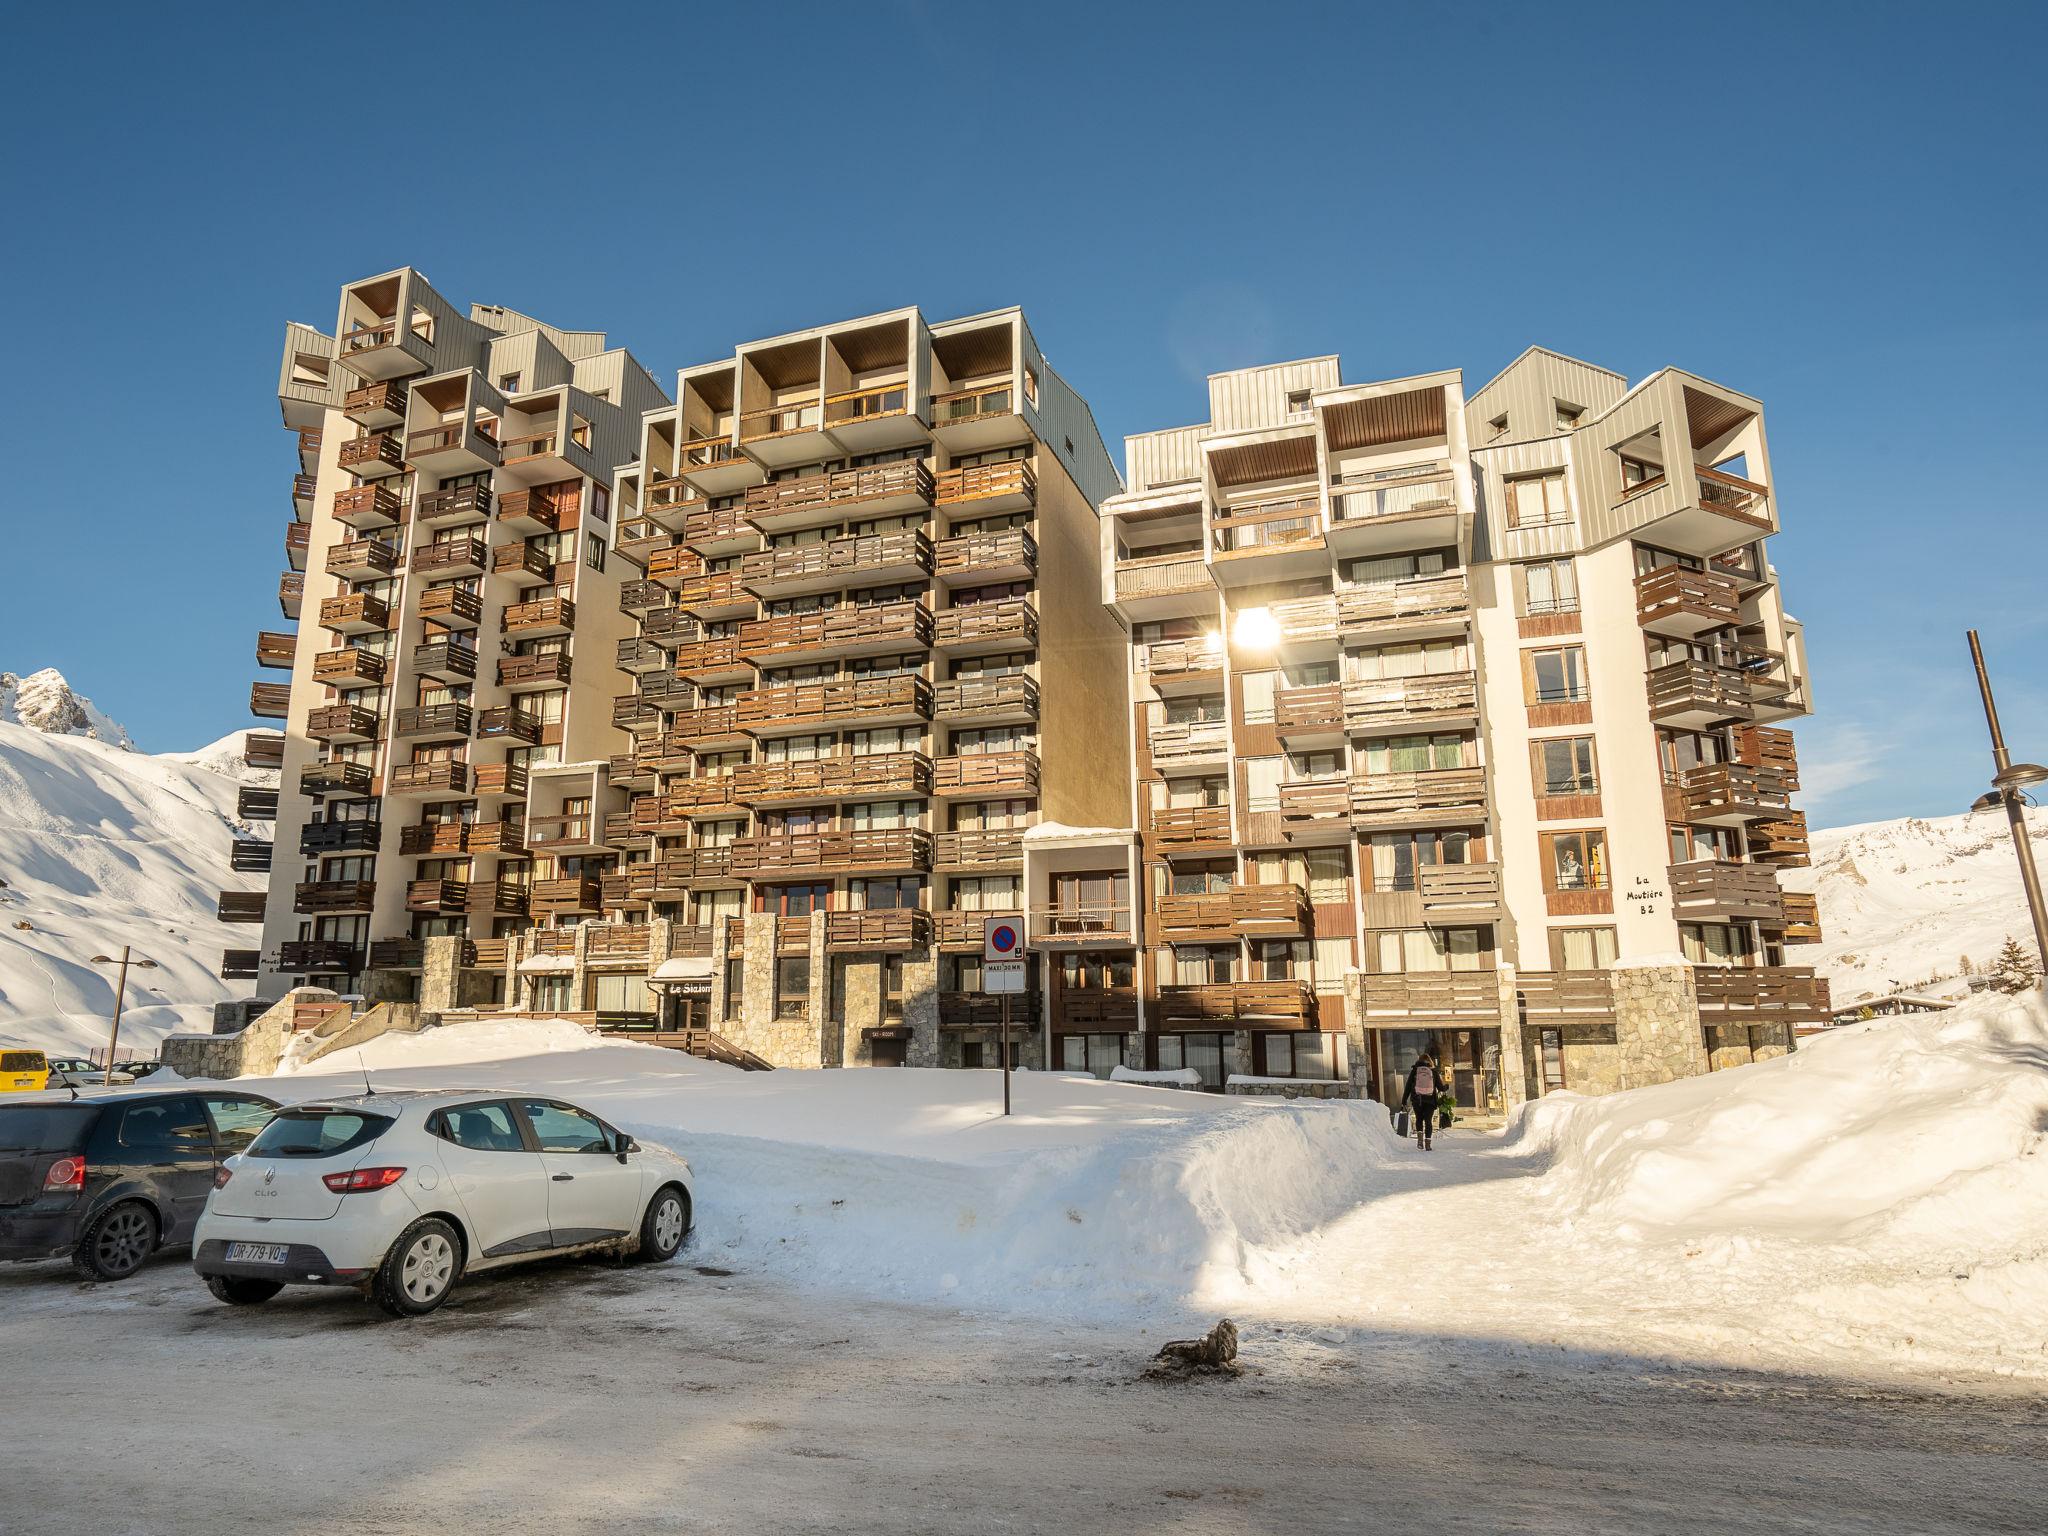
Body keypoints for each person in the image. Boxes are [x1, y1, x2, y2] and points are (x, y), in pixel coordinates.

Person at [1402, 1051, 1442, 1150]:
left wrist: (1404, 1100)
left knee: (1419, 1119)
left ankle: (1420, 1141)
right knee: (1428, 1121)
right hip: (1430, 1100)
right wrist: (1446, 1087)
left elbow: (1408, 1086)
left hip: (1417, 1099)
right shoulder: (1433, 1071)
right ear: (1430, 1061)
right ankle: (1428, 1144)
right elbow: (1440, 1087)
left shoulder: (1415, 1070)